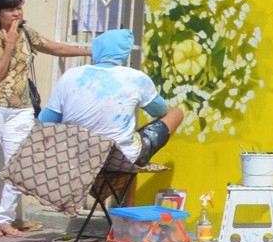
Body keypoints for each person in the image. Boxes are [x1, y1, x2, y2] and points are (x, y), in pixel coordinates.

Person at [0, 0, 89, 238]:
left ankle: (5, 218)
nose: (16, 13)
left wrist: (90, 52)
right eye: (10, 9)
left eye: (19, 7)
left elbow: (53, 47)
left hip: (20, 108)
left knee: (20, 165)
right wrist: (9, 44)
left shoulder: (26, 33)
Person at [37, 28, 183, 166]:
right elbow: (160, 111)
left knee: (132, 142)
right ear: (125, 53)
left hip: (76, 156)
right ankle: (126, 189)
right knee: (174, 113)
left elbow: (46, 120)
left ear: (96, 49)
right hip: (121, 158)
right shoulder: (137, 78)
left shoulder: (70, 75)